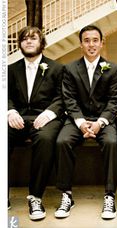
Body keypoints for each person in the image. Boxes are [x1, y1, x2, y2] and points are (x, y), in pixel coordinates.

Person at [55, 25, 117, 220]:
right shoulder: (69, 69)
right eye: (87, 40)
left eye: (95, 40)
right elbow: (68, 98)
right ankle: (66, 194)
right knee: (62, 142)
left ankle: (109, 195)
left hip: (104, 120)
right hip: (77, 119)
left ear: (102, 43)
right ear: (81, 45)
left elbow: (115, 100)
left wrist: (100, 123)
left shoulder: (114, 69)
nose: (91, 44)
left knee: (111, 142)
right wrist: (80, 122)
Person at [8, 26, 64, 220]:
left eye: (33, 38)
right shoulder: (10, 69)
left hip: (45, 119)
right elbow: (4, 95)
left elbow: (62, 97)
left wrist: (49, 113)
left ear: (42, 43)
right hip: (18, 118)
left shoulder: (57, 68)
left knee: (46, 139)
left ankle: (35, 196)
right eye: (24, 39)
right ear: (20, 44)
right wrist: (10, 111)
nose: (29, 41)